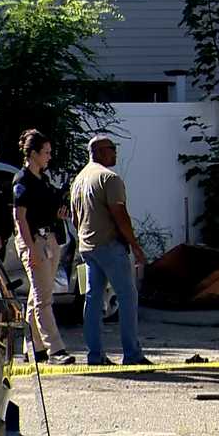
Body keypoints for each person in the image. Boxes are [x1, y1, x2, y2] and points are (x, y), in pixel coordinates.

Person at [71, 134, 151, 367]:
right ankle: (132, 354)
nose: (115, 153)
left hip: (87, 248)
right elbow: (120, 215)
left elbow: (76, 219)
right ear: (97, 151)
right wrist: (135, 246)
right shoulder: (109, 178)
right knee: (127, 297)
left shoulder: (79, 180)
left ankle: (95, 355)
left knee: (93, 300)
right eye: (111, 148)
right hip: (109, 246)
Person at [12, 129, 75, 366]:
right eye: (45, 152)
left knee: (38, 296)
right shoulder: (22, 181)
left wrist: (59, 212)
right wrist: (30, 249)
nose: (49, 156)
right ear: (33, 153)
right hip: (35, 241)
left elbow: (47, 209)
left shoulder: (43, 180)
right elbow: (20, 217)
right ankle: (55, 349)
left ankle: (34, 347)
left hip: (50, 239)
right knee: (43, 300)